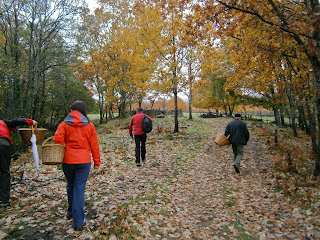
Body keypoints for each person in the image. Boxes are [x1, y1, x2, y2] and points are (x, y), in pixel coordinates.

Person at [53, 101, 100, 231]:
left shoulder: (64, 124)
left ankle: (71, 211)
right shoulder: (89, 125)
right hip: (84, 161)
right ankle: (78, 221)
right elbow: (94, 145)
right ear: (83, 110)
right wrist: (97, 161)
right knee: (79, 188)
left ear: (71, 109)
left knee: (71, 185)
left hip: (68, 160)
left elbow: (57, 140)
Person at [0, 117, 37, 206]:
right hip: (3, 144)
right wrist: (31, 122)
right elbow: (16, 121)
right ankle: (4, 200)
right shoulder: (3, 122)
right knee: (4, 171)